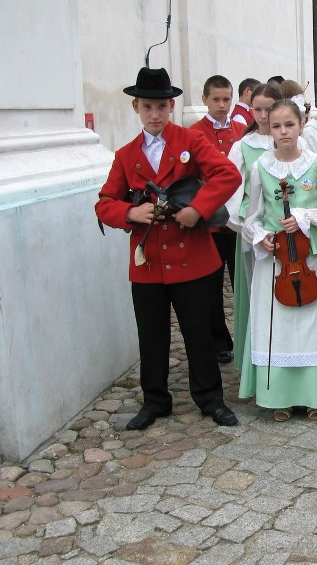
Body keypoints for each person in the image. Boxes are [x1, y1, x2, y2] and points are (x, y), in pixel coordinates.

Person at [95, 67, 241, 430]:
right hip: (148, 261)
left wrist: (198, 208)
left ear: (171, 106)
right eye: (148, 107)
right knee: (152, 335)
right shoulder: (126, 154)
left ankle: (211, 399)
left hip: (191, 255)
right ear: (136, 108)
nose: (155, 114)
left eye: (161, 106)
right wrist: (130, 211)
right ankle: (155, 400)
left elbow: (227, 175)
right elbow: (104, 203)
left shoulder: (190, 141)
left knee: (198, 332)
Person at [239, 99, 317, 422]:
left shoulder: (316, 164)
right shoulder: (260, 168)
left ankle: (316, 395)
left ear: (301, 125)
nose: (283, 132)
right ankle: (278, 395)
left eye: (290, 125)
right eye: (277, 126)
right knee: (277, 327)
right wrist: (260, 237)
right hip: (277, 260)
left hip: (310, 257)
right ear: (268, 127)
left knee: (314, 324)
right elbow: (251, 217)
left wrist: (303, 216)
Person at [225, 83, 283, 369]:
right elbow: (233, 193)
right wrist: (247, 227)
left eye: (268, 109)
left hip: (288, 228)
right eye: (257, 109)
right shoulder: (243, 146)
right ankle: (258, 359)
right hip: (254, 228)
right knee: (257, 293)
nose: (262, 115)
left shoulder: (288, 139)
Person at [190, 75, 247, 364]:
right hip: (210, 223)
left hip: (237, 222)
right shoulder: (194, 133)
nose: (222, 105)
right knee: (211, 286)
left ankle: (247, 337)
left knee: (242, 281)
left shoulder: (241, 130)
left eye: (227, 99)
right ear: (205, 100)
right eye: (216, 100)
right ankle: (218, 340)